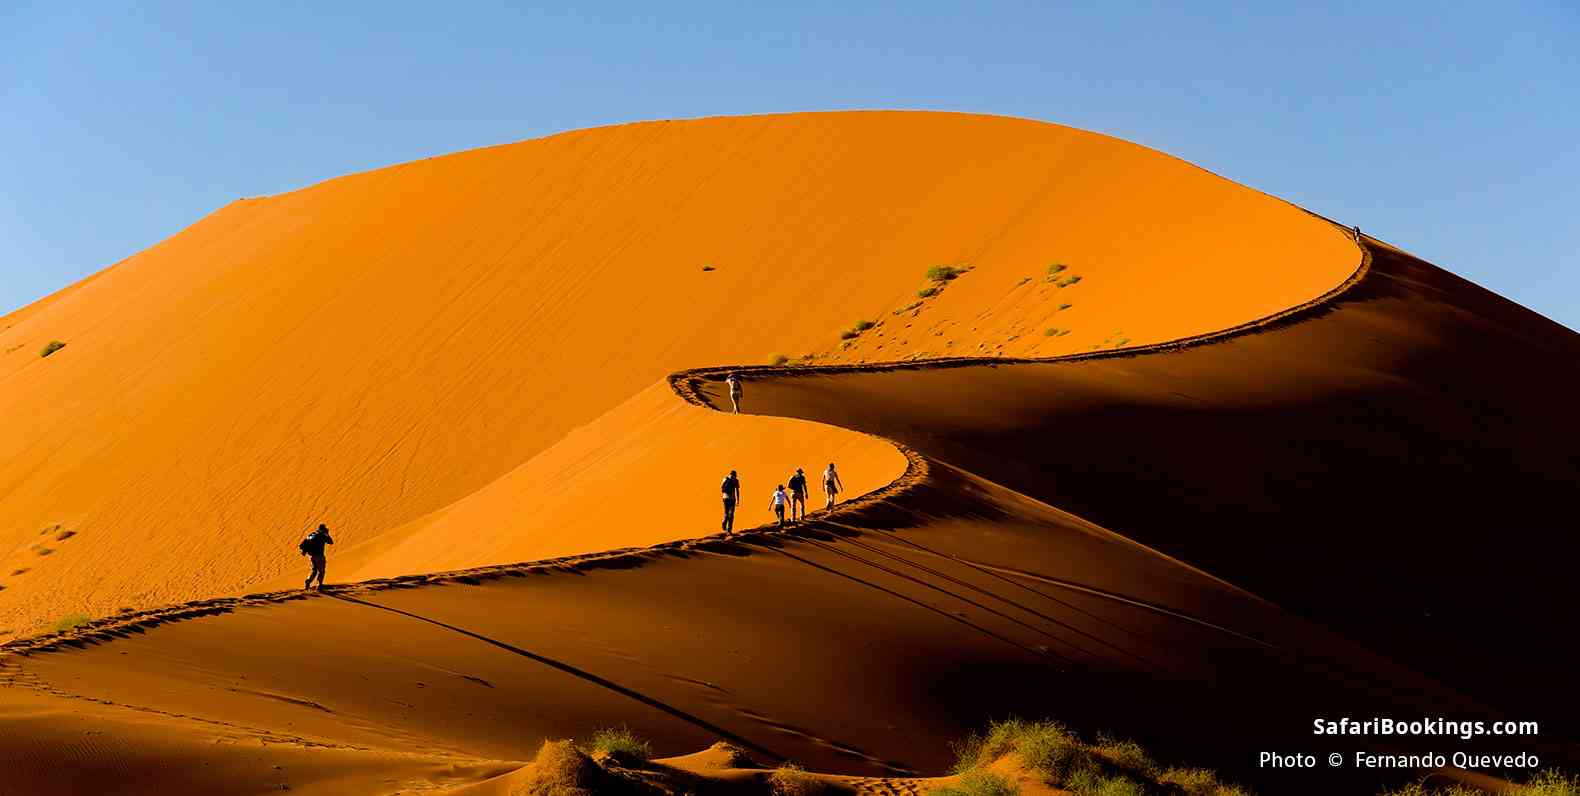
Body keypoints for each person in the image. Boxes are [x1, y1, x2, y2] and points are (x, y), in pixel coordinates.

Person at [298, 523, 334, 590]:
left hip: (311, 556)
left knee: (314, 570)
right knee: (321, 571)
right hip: (319, 556)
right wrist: (327, 534)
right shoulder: (322, 535)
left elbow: (301, 545)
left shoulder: (311, 535)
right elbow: (331, 542)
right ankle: (319, 585)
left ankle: (308, 580)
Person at [721, 470, 742, 534]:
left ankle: (724, 521)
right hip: (732, 499)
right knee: (731, 514)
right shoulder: (736, 480)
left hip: (725, 498)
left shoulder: (725, 478)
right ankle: (729, 529)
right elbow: (737, 491)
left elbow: (721, 487)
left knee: (726, 512)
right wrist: (738, 500)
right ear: (735, 475)